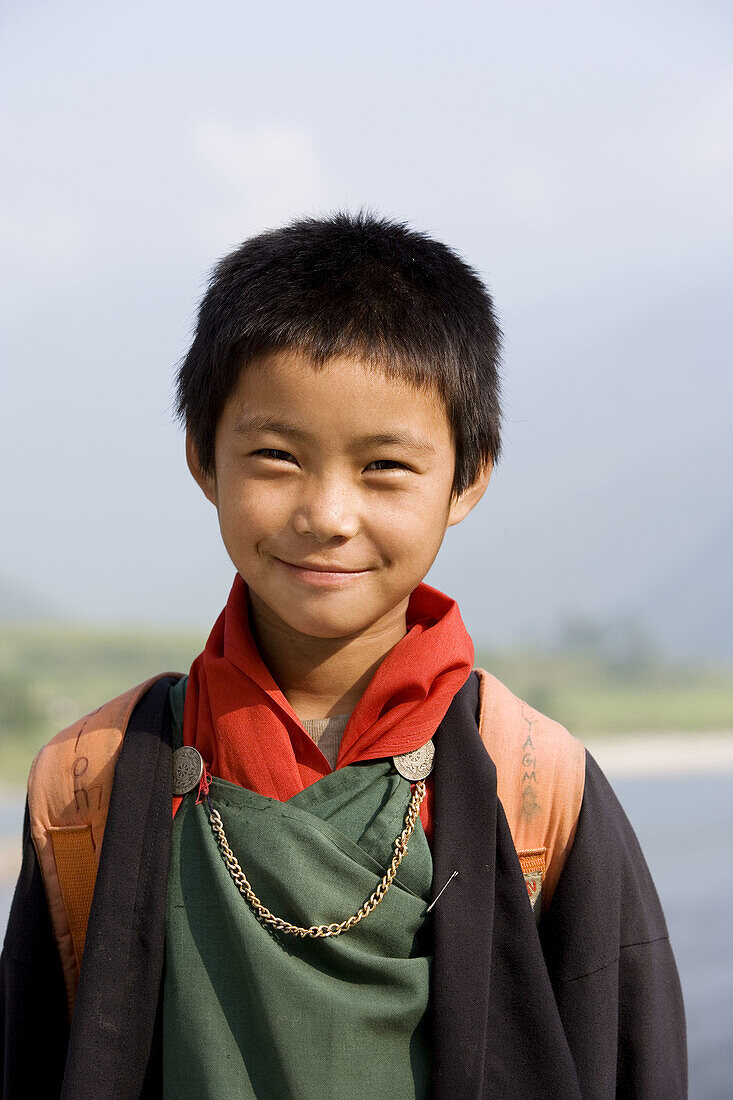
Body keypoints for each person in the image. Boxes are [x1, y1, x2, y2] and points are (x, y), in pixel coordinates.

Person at [1, 210, 686, 1098]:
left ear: (467, 478)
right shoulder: (90, 782)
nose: (327, 514)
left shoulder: (537, 787)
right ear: (204, 460)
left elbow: (632, 1067)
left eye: (385, 468)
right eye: (276, 456)